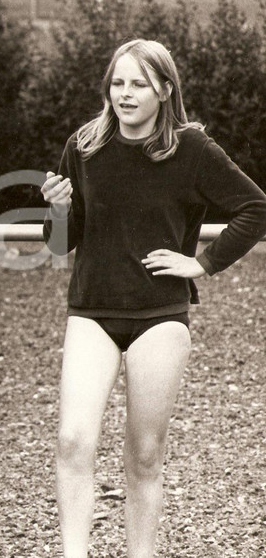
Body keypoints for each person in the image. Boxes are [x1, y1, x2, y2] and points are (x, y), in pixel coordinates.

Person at [41, 38, 266, 558]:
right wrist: (55, 209)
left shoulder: (192, 149)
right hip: (92, 312)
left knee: (144, 456)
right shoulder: (85, 145)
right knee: (73, 442)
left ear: (164, 90)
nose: (125, 93)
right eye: (117, 83)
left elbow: (255, 208)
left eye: (139, 83)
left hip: (160, 316)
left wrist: (202, 263)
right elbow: (61, 242)